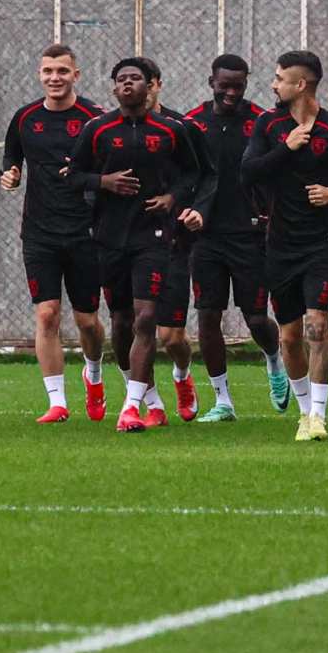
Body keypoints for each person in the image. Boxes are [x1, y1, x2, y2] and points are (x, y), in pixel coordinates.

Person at [67, 59, 205, 433]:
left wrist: (172, 198)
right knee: (121, 322)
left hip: (154, 237)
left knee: (147, 319)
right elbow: (73, 176)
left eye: (136, 79)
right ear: (114, 89)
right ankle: (152, 402)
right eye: (122, 79)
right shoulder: (97, 129)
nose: (128, 84)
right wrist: (104, 182)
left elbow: (194, 173)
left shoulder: (171, 130)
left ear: (150, 87)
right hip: (109, 237)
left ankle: (130, 408)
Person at [241, 49, 328, 441]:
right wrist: (287, 148)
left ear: (300, 85)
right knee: (290, 337)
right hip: (279, 245)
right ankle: (303, 410)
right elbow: (248, 172)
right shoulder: (268, 125)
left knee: (318, 329)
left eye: (279, 78)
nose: (273, 84)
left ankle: (317, 416)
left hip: (322, 245)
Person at [0, 44, 106, 423]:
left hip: (85, 232)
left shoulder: (95, 118)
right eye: (48, 71)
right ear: (40, 75)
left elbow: (110, 166)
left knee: (87, 322)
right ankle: (57, 403)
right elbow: (11, 157)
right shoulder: (25, 117)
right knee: (47, 316)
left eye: (62, 71)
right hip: (39, 232)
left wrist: (86, 178)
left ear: (76, 75)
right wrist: (11, 174)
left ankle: (94, 375)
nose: (54, 77)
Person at [184, 54, 287, 423]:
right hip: (205, 236)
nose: (231, 92)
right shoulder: (192, 124)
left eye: (238, 85)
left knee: (256, 319)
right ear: (211, 81)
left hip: (250, 235)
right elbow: (183, 174)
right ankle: (223, 401)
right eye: (224, 85)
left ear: (246, 84)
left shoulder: (261, 121)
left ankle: (274, 359)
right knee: (208, 316)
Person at [138, 57, 210, 422]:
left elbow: (203, 175)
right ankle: (152, 404)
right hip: (128, 244)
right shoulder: (108, 130)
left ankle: (182, 375)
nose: (140, 91)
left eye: (147, 84)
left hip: (173, 243)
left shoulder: (181, 129)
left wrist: (188, 205)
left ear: (157, 85)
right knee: (138, 327)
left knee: (172, 337)